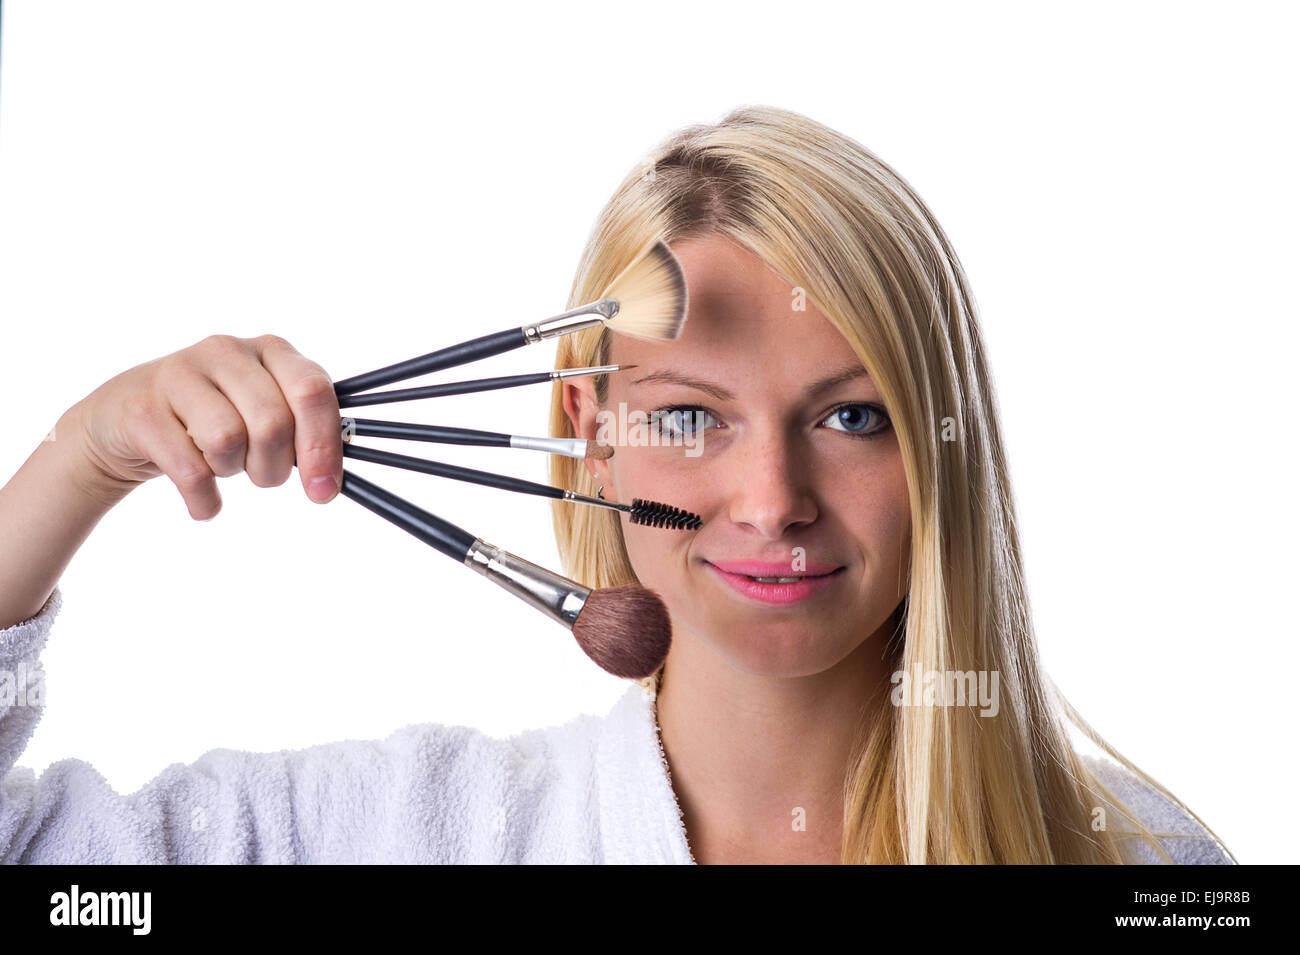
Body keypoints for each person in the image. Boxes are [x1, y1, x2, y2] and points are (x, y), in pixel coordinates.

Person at [0, 105, 1232, 864]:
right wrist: (76, 465)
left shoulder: (1143, 863)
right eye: (690, 415)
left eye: (852, 417)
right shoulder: (406, 832)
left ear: (943, 445)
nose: (771, 497)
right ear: (590, 433)